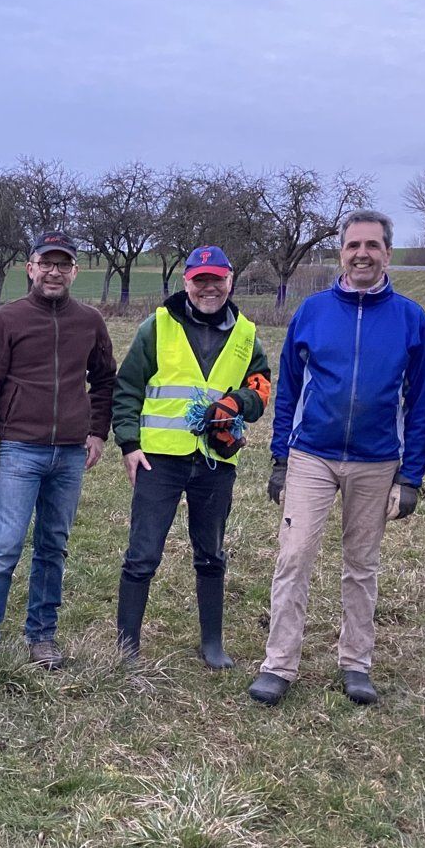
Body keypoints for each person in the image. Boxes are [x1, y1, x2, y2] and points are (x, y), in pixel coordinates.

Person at [247, 209, 425, 707]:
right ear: (341, 252)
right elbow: (287, 388)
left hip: (377, 461)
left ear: (388, 253)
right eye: (353, 246)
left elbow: (420, 404)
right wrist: (280, 458)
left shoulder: (411, 319)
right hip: (312, 455)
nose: (362, 254)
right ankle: (279, 663)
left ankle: (356, 662)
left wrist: (411, 475)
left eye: (372, 246)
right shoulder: (312, 311)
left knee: (362, 564)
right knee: (294, 554)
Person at [0, 231, 116, 689]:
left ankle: (42, 635)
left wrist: (96, 431)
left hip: (69, 455)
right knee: (3, 547)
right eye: (46, 263)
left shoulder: (89, 321)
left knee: (53, 546)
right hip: (20, 452)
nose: (54, 272)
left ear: (75, 272)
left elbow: (106, 380)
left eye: (63, 264)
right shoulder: (6, 320)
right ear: (30, 268)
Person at [112, 245, 272, 669]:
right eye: (199, 280)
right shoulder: (157, 326)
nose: (208, 288)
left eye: (216, 279)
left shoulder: (247, 334)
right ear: (186, 283)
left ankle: (212, 645)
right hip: (159, 460)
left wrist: (239, 403)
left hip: (216, 460)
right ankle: (128, 649)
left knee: (212, 553)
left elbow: (261, 387)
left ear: (229, 281)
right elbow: (126, 387)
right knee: (142, 554)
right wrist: (129, 444)